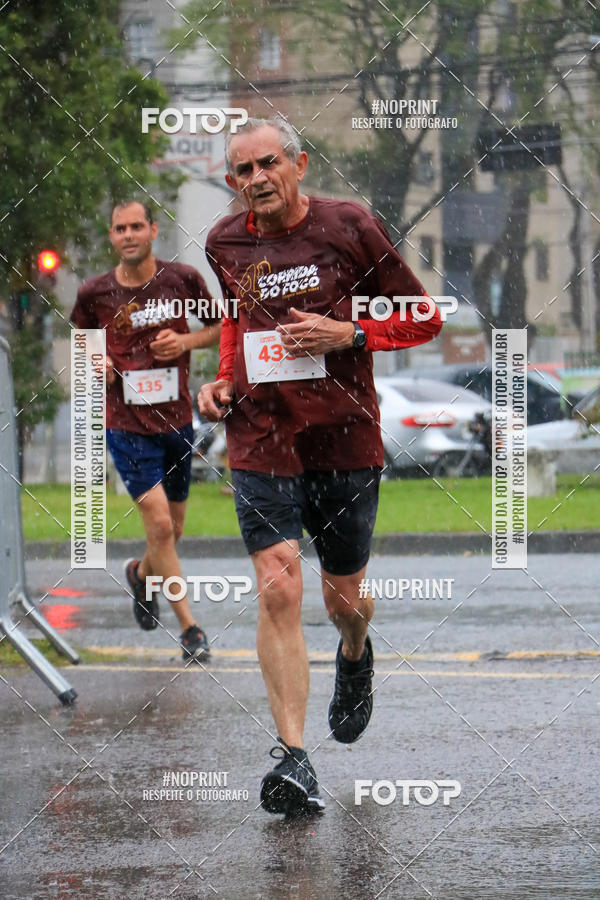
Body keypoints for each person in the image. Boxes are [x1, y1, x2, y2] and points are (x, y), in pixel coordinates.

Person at [198, 117, 442, 814]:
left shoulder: (349, 225)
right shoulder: (224, 242)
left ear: (299, 163)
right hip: (261, 436)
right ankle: (294, 759)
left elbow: (423, 316)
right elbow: (240, 324)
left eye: (267, 164)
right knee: (278, 587)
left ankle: (356, 651)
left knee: (341, 602)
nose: (256, 180)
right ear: (231, 182)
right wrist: (218, 382)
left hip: (342, 439)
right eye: (242, 171)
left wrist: (352, 332)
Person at [71, 199, 220, 661]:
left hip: (175, 422)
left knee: (172, 531)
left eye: (137, 225)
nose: (129, 234)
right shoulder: (95, 292)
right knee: (157, 522)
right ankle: (191, 628)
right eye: (120, 228)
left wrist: (184, 340)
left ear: (154, 230)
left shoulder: (182, 280)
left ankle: (139, 574)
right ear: (112, 236)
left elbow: (219, 327)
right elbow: (83, 340)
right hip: (126, 426)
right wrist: (101, 364)